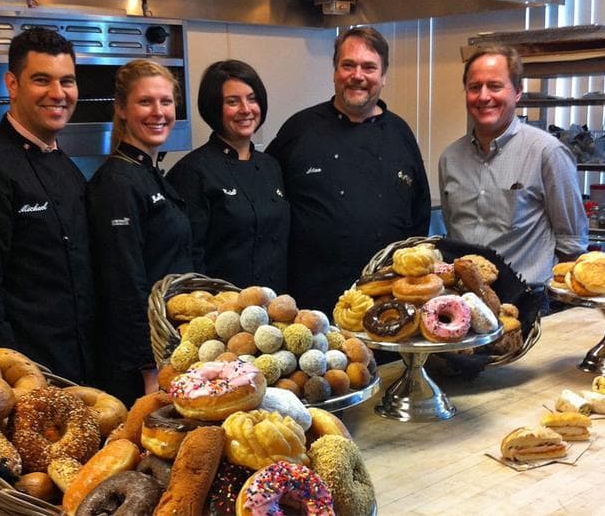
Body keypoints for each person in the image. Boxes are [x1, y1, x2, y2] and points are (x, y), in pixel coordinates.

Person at [0, 28, 95, 384]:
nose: (58, 94)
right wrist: (8, 371)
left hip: (81, 361)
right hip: (26, 371)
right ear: (12, 84)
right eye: (42, 80)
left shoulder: (66, 166)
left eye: (67, 81)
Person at [266, 27, 431, 315]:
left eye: (369, 67)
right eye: (348, 65)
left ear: (383, 76)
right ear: (334, 71)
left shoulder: (400, 133)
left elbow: (419, 215)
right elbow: (269, 204)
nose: (358, 76)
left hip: (387, 303)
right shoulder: (299, 129)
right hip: (311, 307)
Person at [438, 45, 588, 295]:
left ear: (517, 92)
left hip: (528, 301)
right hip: (466, 300)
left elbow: (572, 245)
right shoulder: (450, 158)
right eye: (475, 87)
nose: (484, 96)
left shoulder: (547, 153)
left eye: (495, 86)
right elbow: (452, 230)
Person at [87, 59, 194, 407]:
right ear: (121, 109)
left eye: (166, 102)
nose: (158, 112)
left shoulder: (150, 172)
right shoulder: (117, 183)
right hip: (138, 365)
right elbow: (124, 284)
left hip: (167, 346)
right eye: (145, 102)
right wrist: (149, 369)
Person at [166, 59, 289, 290]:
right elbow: (189, 256)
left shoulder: (271, 166)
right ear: (214, 108)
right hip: (222, 314)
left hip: (275, 308)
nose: (246, 109)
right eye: (232, 102)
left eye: (252, 99)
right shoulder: (193, 171)